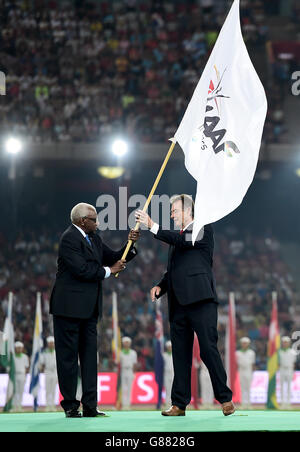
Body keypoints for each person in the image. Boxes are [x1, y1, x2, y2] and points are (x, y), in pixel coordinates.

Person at [135, 194, 234, 416]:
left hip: (201, 300)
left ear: (189, 211)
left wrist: (152, 226)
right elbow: (174, 269)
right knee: (180, 354)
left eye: (174, 210)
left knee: (208, 349)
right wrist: (161, 286)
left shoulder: (202, 227)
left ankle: (225, 398)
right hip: (178, 303)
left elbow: (184, 241)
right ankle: (179, 404)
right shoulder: (178, 238)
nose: (171, 214)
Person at [50, 202, 139, 417]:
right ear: (82, 221)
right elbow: (82, 270)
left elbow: (113, 257)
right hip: (68, 309)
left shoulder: (94, 238)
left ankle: (90, 406)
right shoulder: (69, 238)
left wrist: (130, 245)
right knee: (68, 359)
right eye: (94, 219)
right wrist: (110, 270)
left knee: (90, 359)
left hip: (89, 310)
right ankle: (71, 405)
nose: (97, 222)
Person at [236, 337, 255, 408]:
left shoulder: (251, 353)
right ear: (241, 344)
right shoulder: (237, 353)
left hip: (248, 370)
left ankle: (249, 403)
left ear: (248, 344)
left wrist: (252, 372)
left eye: (245, 343)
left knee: (248, 387)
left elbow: (253, 364)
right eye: (243, 343)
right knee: (242, 388)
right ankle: (243, 403)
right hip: (241, 370)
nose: (244, 344)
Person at [40, 336, 58, 411]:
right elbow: (42, 363)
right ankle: (48, 405)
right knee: (48, 389)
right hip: (47, 371)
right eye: (50, 343)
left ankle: (53, 405)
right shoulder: (44, 353)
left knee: (54, 389)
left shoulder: (57, 351)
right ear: (48, 344)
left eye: (52, 343)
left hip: (55, 372)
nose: (51, 344)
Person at [120, 336, 138, 409]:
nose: (126, 344)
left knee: (130, 388)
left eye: (128, 342)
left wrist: (134, 373)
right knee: (124, 387)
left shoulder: (133, 353)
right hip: (123, 370)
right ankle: (124, 404)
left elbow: (134, 364)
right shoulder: (120, 353)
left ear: (130, 343)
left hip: (130, 370)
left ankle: (129, 403)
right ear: (123, 344)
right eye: (125, 342)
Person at [279, 336, 296, 408]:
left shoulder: (293, 352)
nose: (285, 344)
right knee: (282, 386)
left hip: (289, 369)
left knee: (289, 387)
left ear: (289, 343)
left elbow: (294, 363)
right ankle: (282, 403)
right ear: (282, 343)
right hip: (282, 369)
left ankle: (288, 403)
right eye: (284, 342)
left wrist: (293, 371)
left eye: (286, 342)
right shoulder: (279, 352)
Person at [13, 341, 30, 412]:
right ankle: (14, 406)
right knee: (15, 391)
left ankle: (19, 406)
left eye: (20, 348)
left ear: (22, 348)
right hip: (14, 375)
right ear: (15, 348)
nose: (19, 349)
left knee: (20, 391)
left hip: (22, 375)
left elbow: (26, 367)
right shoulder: (13, 356)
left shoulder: (25, 357)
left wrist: (25, 376)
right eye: (17, 348)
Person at [162, 340, 174, 407]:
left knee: (173, 388)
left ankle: (172, 403)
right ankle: (167, 403)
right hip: (166, 373)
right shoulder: (164, 355)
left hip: (173, 373)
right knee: (167, 388)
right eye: (169, 347)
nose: (170, 348)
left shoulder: (175, 354)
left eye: (171, 346)